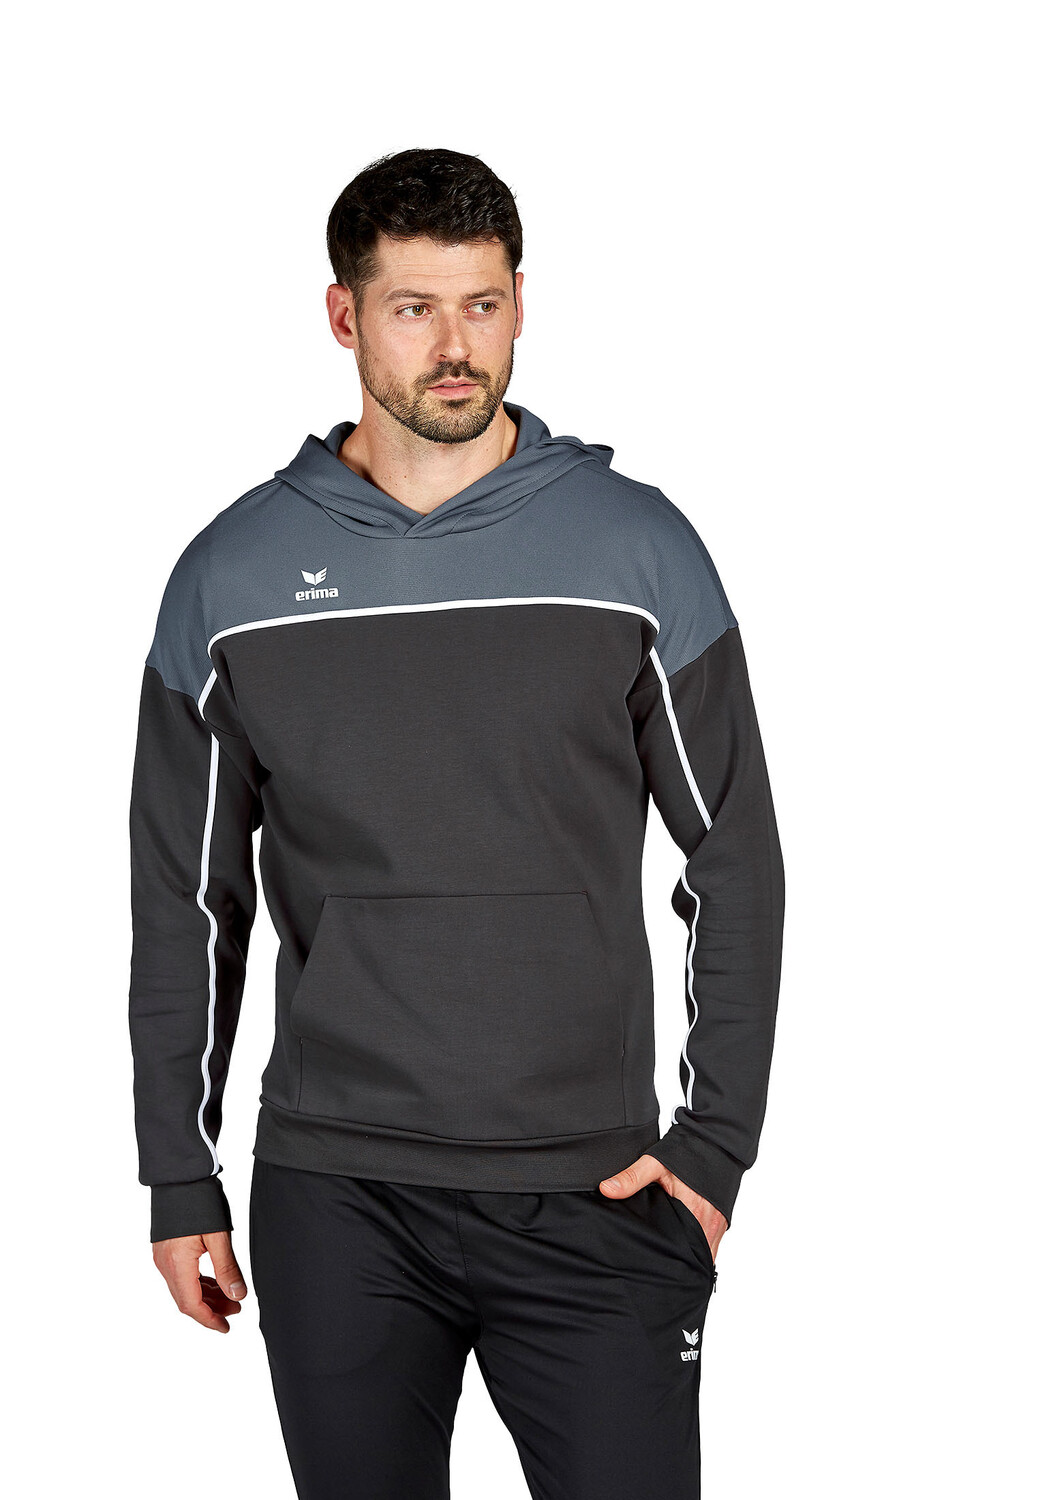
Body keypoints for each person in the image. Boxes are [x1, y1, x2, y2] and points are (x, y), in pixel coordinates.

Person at [128, 146, 785, 1500]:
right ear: (344, 315)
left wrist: (713, 1148)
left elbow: (735, 858)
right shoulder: (231, 577)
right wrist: (178, 1173)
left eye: (481, 304)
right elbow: (186, 902)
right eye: (414, 307)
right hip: (338, 1196)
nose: (454, 345)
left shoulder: (638, 551)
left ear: (521, 303)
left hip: (600, 1192)